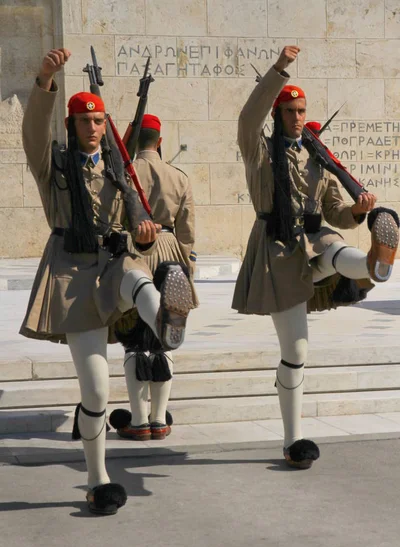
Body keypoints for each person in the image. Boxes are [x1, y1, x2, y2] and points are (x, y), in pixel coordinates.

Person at [21, 48, 193, 515]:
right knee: (96, 391)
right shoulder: (52, 166)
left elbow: (139, 222)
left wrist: (143, 230)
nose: (94, 128)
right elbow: (33, 133)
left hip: (114, 260)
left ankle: (165, 321)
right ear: (71, 126)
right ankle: (98, 480)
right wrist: (44, 82)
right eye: (85, 122)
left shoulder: (122, 170)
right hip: (72, 273)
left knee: (137, 278)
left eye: (99, 121)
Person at [232, 45, 399, 469]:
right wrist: (279, 71)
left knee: (338, 247)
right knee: (297, 352)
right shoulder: (259, 151)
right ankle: (293, 439)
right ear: (278, 114)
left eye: (302, 111)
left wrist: (359, 211)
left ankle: (375, 265)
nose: (297, 118)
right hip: (277, 248)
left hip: (314, 237)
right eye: (290, 111)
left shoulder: (316, 160)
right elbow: (247, 119)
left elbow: (335, 213)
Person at [109, 114, 198, 442]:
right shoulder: (178, 176)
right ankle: (160, 419)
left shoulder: (124, 176)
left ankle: (138, 419)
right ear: (159, 142)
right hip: (171, 251)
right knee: (165, 336)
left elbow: (114, 222)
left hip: (135, 253)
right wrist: (186, 266)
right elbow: (187, 229)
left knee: (133, 337)